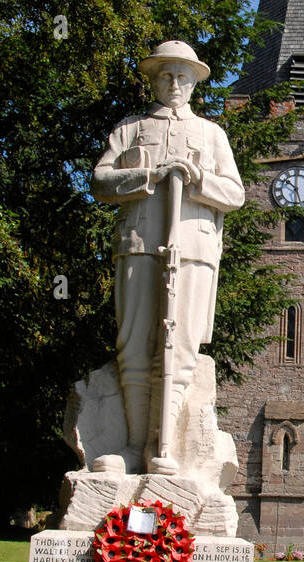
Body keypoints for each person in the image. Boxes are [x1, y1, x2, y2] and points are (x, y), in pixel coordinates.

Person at [91, 40, 244, 474]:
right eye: (165, 75)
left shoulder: (212, 135)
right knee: (134, 343)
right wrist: (148, 175)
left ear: (195, 83)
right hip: (139, 244)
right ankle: (133, 445)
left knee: (181, 347)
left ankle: (166, 447)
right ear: (153, 79)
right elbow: (100, 180)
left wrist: (199, 181)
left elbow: (235, 193)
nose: (174, 83)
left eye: (182, 76)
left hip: (193, 248)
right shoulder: (130, 129)